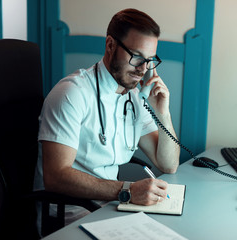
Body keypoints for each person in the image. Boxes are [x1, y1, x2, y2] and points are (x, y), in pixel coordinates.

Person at [33, 8, 180, 225]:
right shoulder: (72, 93)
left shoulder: (135, 97)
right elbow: (55, 176)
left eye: (150, 60)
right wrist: (127, 190)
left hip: (110, 207)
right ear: (110, 45)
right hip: (69, 215)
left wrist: (163, 113)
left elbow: (169, 165)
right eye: (137, 57)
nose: (143, 69)